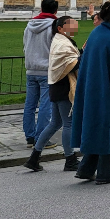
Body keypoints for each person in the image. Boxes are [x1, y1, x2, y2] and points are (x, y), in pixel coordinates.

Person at [71, 1, 110, 184]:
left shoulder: (96, 33)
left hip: (92, 87)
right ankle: (106, 173)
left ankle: (86, 168)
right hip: (106, 90)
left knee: (95, 127)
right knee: (108, 128)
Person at [26, 16, 81, 172]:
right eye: (71, 24)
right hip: (63, 87)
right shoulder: (62, 43)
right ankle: (70, 159)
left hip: (56, 86)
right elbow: (71, 64)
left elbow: (69, 60)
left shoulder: (60, 41)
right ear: (60, 28)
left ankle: (34, 157)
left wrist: (81, 52)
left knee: (55, 123)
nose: (75, 27)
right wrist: (85, 54)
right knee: (68, 124)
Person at [23, 0, 58, 147]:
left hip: (31, 69)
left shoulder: (29, 25)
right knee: (46, 105)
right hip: (46, 69)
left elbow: (25, 45)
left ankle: (30, 136)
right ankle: (41, 137)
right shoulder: (55, 26)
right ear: (56, 10)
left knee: (30, 105)